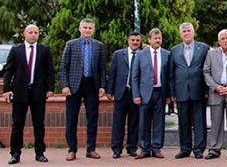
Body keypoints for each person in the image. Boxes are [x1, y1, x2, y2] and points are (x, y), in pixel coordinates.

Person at [3, 25, 54, 164]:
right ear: (24, 34)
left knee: (39, 124)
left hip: (38, 92)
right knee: (17, 124)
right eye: (30, 32)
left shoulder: (44, 50)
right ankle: (15, 153)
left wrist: (50, 88)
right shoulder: (16, 50)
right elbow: (8, 70)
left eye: (36, 32)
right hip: (19, 92)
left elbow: (50, 70)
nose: (33, 35)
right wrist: (6, 89)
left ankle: (40, 152)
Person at [60, 18, 106, 161]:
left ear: (93, 30)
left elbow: (102, 68)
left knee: (92, 119)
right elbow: (63, 67)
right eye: (85, 28)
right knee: (72, 118)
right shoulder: (71, 44)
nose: (87, 30)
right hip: (74, 86)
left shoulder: (99, 46)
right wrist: (65, 85)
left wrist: (102, 86)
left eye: (90, 28)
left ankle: (90, 149)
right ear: (80, 29)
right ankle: (72, 149)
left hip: (92, 85)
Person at [169, 22, 210, 159]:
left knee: (199, 121)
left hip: (198, 90)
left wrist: (206, 90)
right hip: (181, 91)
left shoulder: (203, 48)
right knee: (183, 121)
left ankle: (199, 149)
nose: (187, 33)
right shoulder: (174, 50)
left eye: (189, 31)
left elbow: (207, 70)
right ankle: (185, 148)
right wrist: (172, 92)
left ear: (193, 32)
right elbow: (171, 73)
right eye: (184, 31)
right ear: (180, 34)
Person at [132, 28, 170, 159]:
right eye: (155, 38)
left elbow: (169, 76)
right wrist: (136, 94)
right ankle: (145, 148)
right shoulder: (141, 54)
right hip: (144, 93)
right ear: (149, 39)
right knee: (144, 121)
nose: (157, 40)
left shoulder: (167, 54)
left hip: (160, 92)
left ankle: (157, 148)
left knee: (159, 121)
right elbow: (135, 76)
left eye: (159, 38)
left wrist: (169, 95)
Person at [203, 29, 227, 160]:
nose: (225, 41)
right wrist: (215, 87)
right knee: (216, 123)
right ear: (219, 41)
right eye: (222, 38)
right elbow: (206, 72)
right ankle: (214, 149)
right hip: (216, 93)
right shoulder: (211, 54)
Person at [106, 31, 142, 159]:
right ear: (128, 41)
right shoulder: (118, 54)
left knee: (134, 122)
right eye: (133, 40)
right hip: (121, 92)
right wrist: (109, 91)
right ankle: (116, 149)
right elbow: (112, 73)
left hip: (135, 94)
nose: (135, 43)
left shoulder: (142, 55)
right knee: (118, 122)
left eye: (137, 40)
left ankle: (132, 147)